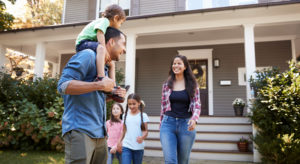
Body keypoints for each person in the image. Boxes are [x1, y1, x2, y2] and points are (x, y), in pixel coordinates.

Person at [57, 27, 127, 164]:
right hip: (81, 129)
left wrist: (112, 95)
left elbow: (94, 96)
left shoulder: (104, 67)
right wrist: (99, 85)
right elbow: (63, 85)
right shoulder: (88, 55)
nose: (124, 49)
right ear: (112, 42)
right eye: (123, 44)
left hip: (100, 133)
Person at [160, 55, 201, 164]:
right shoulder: (166, 85)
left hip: (186, 125)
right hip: (168, 124)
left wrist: (194, 119)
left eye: (179, 63)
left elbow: (197, 104)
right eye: (174, 63)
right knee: (170, 161)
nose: (176, 65)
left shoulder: (193, 85)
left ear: (185, 66)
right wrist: (161, 124)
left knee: (183, 161)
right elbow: (163, 106)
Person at [75, 4, 126, 83]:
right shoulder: (104, 21)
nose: (119, 26)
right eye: (120, 23)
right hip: (82, 42)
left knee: (108, 59)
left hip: (88, 42)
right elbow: (100, 33)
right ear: (116, 18)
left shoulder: (104, 23)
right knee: (101, 48)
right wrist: (103, 48)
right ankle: (101, 77)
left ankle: (111, 84)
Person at [118, 93, 149, 164]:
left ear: (139, 103)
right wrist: (119, 142)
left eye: (134, 104)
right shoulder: (124, 115)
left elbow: (146, 131)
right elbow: (124, 130)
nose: (131, 106)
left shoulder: (143, 116)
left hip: (138, 147)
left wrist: (142, 137)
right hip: (126, 145)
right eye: (129, 104)